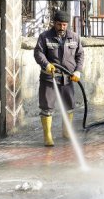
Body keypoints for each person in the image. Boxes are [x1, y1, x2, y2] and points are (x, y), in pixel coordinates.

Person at [33, 10, 84, 147]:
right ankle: (48, 136)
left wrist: (78, 71)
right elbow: (38, 53)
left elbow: (80, 55)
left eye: (65, 25)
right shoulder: (45, 37)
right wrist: (46, 64)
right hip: (49, 79)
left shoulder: (74, 37)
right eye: (59, 24)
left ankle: (67, 131)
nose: (62, 27)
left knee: (69, 106)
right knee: (47, 107)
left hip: (67, 78)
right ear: (54, 23)